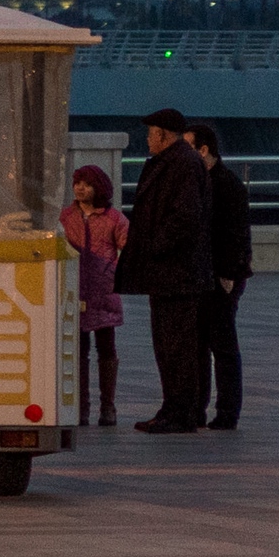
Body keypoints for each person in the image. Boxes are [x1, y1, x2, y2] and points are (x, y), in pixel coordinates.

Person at [114, 108, 214, 433]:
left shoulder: (182, 164)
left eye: (150, 133)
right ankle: (173, 409)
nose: (147, 140)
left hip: (176, 273)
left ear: (163, 135)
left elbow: (185, 217)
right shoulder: (173, 162)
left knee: (176, 347)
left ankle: (180, 413)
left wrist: (154, 246)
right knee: (168, 346)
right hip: (167, 273)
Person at [192, 122, 254, 430]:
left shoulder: (227, 184)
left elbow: (237, 233)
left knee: (223, 345)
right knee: (199, 345)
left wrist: (229, 273)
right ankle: (198, 408)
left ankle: (228, 411)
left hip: (221, 277)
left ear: (203, 150)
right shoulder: (199, 181)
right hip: (202, 275)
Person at [59, 163, 128, 426]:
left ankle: (108, 407)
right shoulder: (65, 217)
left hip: (103, 293)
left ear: (98, 188)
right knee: (78, 352)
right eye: (77, 183)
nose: (79, 188)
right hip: (74, 292)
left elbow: (129, 248)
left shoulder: (113, 219)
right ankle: (81, 408)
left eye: (86, 184)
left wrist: (113, 273)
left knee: (106, 349)